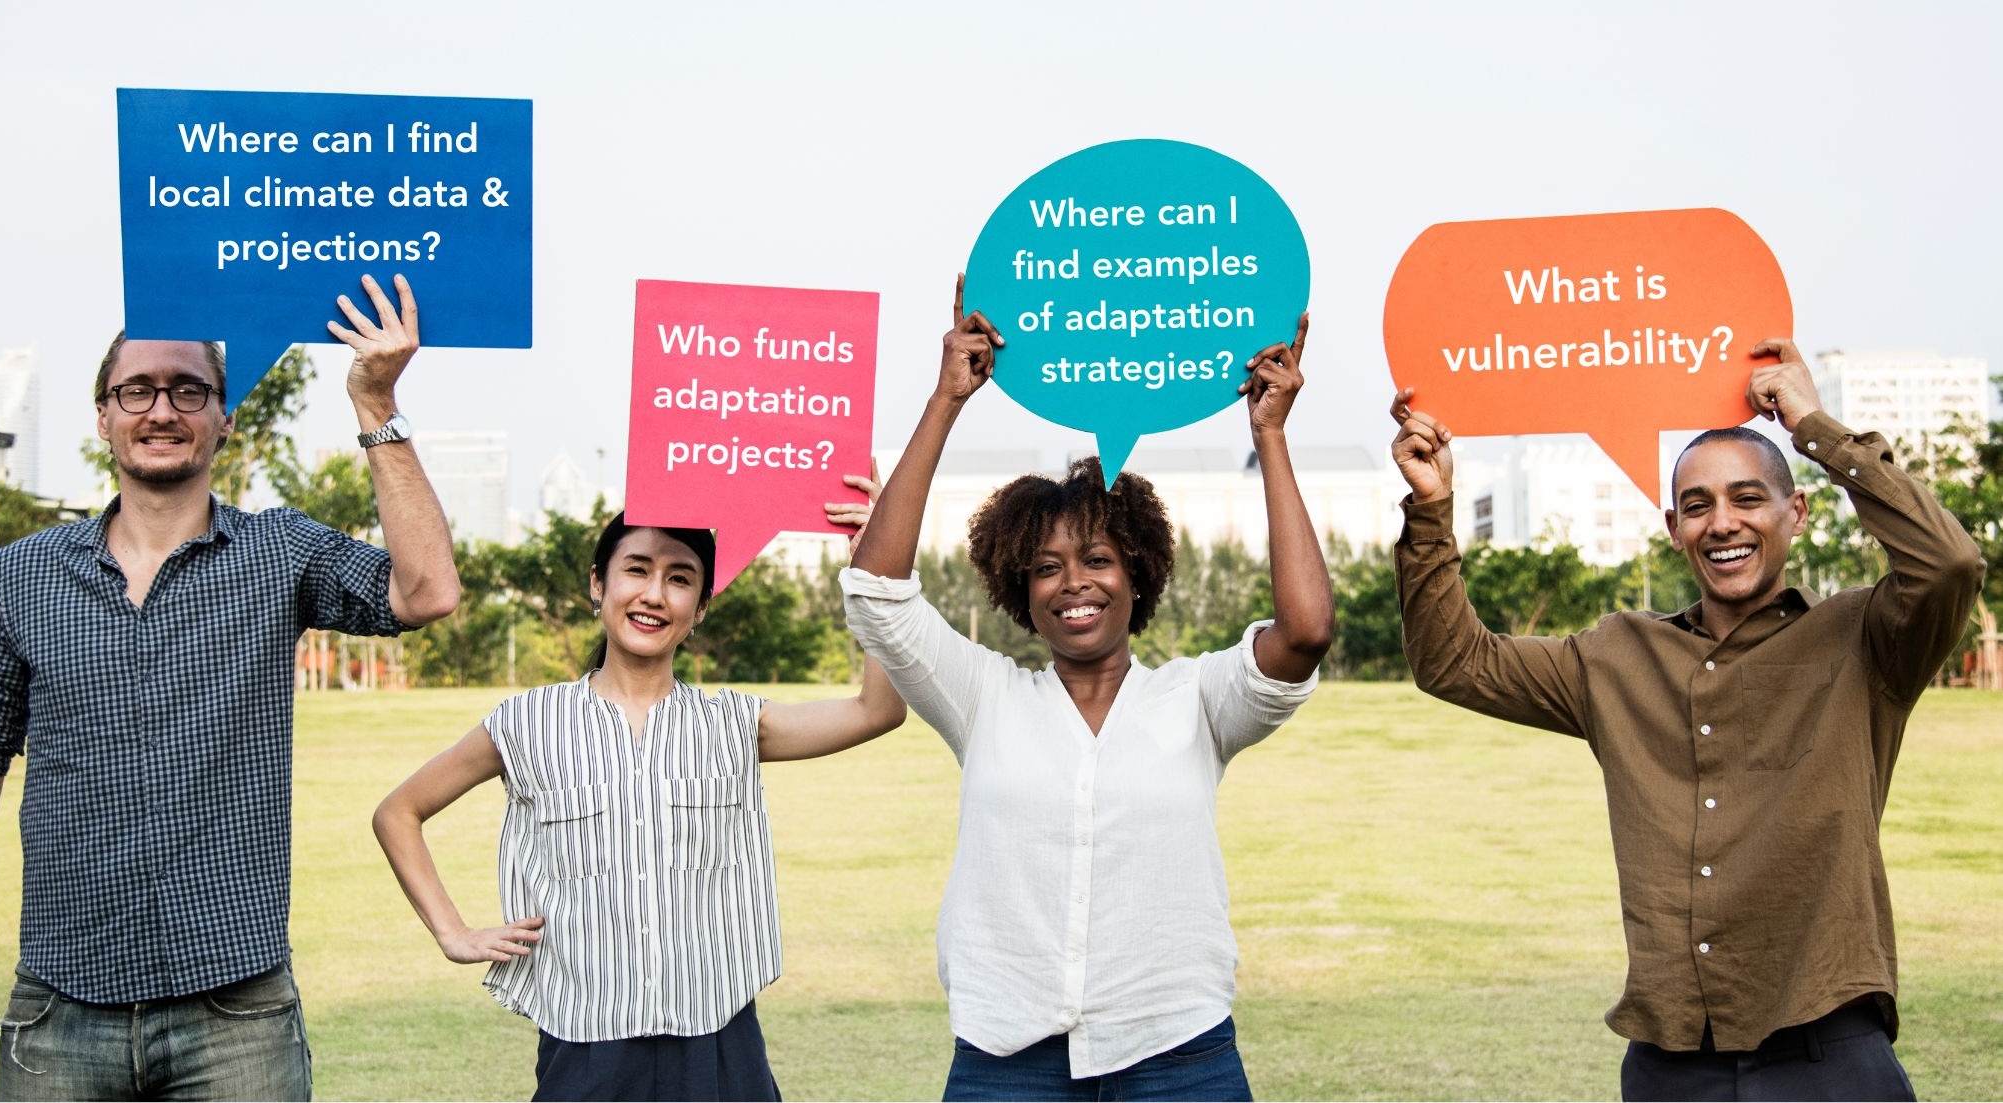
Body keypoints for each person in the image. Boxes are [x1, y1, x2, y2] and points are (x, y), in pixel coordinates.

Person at [1387, 338, 1984, 1101]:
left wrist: (1814, 426)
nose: (1722, 522)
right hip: (1671, 1063)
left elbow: (1949, 563)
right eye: (1697, 506)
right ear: (1674, 527)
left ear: (1794, 511)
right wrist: (1431, 510)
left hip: (1829, 1053)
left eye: (1747, 497)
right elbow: (1454, 662)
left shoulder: (1867, 640)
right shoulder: (1614, 657)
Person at [0, 274, 459, 1099]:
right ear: (104, 416)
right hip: (60, 1003)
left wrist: (376, 401)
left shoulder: (280, 551)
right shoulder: (23, 576)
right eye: (138, 391)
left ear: (225, 418)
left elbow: (427, 590)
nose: (162, 410)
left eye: (189, 390)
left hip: (236, 1013)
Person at [844, 280, 1334, 1101]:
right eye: (1045, 566)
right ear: (1019, 589)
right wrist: (945, 400)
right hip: (1007, 1058)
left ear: (1138, 573)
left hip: (1178, 1054)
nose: (1074, 583)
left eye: (1098, 559)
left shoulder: (1198, 699)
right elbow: (876, 589)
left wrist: (1270, 436)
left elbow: (1306, 630)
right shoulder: (984, 696)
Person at [371, 484, 906, 1103]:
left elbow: (877, 710)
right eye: (637, 569)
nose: (654, 594)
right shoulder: (526, 723)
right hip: (585, 1046)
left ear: (700, 607)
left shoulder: (734, 723)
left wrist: (872, 567)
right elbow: (399, 812)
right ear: (599, 585)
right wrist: (452, 932)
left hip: (719, 1042)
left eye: (680, 579)